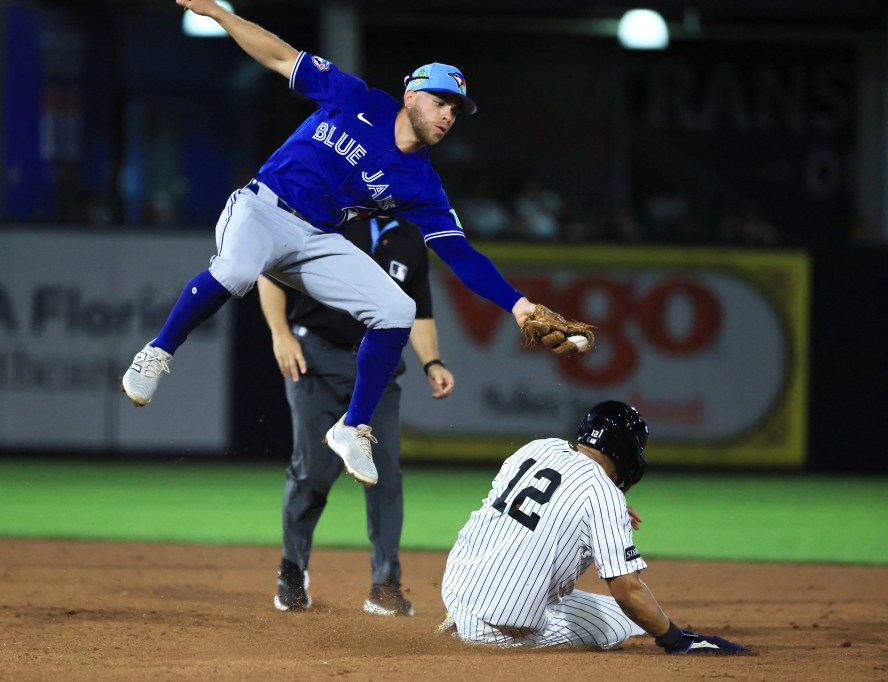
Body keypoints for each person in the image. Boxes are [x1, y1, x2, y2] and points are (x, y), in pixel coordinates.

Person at [122, 0, 591, 491]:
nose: (448, 114)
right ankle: (156, 354)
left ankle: (353, 427)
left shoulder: (422, 185)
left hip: (316, 239)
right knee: (237, 272)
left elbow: (461, 255)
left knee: (396, 308)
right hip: (262, 208)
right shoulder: (355, 97)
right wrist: (223, 17)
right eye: (440, 101)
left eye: (455, 109)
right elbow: (281, 57)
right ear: (411, 94)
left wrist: (516, 304)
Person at [439, 401, 752, 655]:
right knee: (619, 622)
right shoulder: (604, 494)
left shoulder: (540, 448)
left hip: (458, 590)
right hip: (497, 633)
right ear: (626, 452)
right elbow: (627, 591)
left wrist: (601, 514)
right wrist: (678, 639)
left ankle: (464, 617)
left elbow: (529, 505)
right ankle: (479, 634)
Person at [257, 215, 454, 616]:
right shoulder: (332, 217)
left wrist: (432, 361)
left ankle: (385, 585)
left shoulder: (411, 238)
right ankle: (292, 571)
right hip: (315, 359)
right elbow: (271, 273)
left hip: (377, 372)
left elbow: (417, 310)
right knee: (312, 472)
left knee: (383, 477)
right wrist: (281, 334)